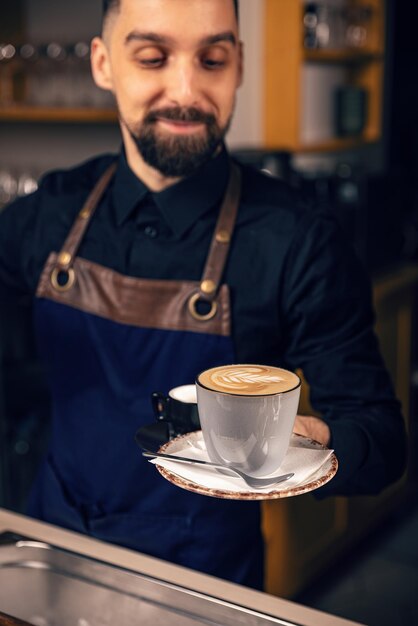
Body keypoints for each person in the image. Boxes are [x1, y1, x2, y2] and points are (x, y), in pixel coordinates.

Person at [0, 0, 406, 590]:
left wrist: (312, 445)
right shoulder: (48, 214)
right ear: (103, 63)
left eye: (212, 59)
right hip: (50, 554)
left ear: (238, 65)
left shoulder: (298, 242)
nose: (186, 90)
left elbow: (382, 443)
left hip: (203, 583)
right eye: (152, 58)